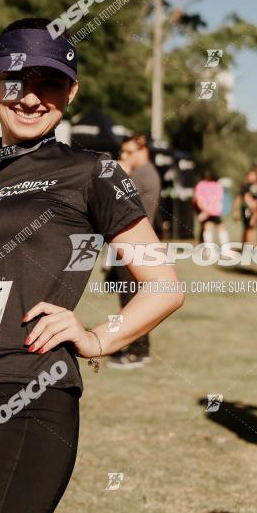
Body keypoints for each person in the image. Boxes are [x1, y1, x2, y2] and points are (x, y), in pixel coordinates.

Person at [0, 17, 184, 513]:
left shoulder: (95, 172)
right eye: (16, 80)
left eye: (50, 82)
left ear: (71, 92)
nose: (30, 98)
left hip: (30, 392)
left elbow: (164, 287)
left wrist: (95, 338)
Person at [106, 134, 161, 369]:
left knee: (132, 301)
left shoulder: (141, 174)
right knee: (130, 298)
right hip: (133, 245)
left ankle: (138, 350)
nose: (124, 157)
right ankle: (137, 347)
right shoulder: (144, 172)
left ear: (142, 150)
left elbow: (116, 201)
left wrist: (119, 174)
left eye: (129, 152)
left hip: (133, 245)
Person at [193, 172, 228, 246]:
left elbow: (199, 200)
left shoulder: (200, 184)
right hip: (213, 211)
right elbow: (216, 200)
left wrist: (205, 212)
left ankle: (209, 250)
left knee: (208, 228)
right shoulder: (217, 185)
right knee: (220, 228)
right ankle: (225, 250)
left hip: (205, 211)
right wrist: (207, 211)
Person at [235, 168, 257, 244]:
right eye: (251, 175)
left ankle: (246, 246)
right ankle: (247, 246)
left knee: (251, 228)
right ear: (247, 176)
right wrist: (235, 210)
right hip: (247, 209)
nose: (252, 177)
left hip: (256, 210)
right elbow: (239, 198)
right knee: (248, 228)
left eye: (254, 175)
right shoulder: (245, 186)